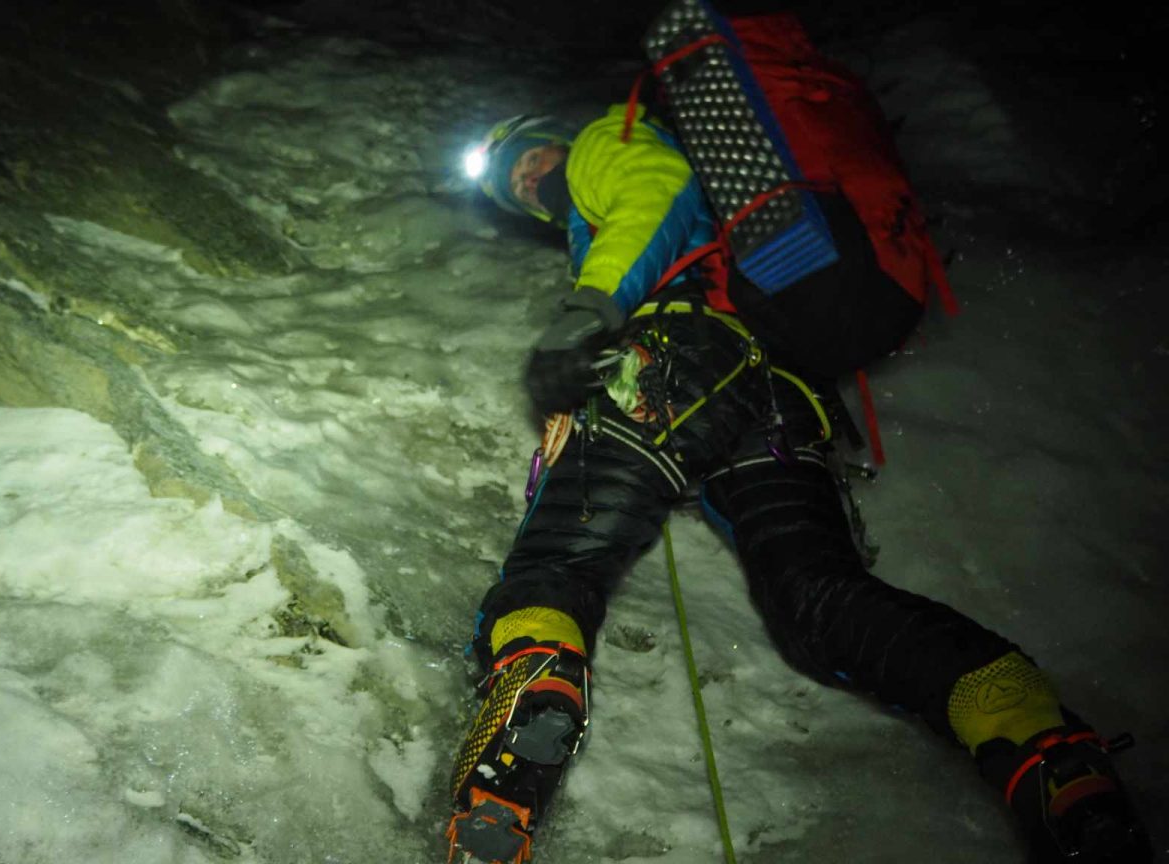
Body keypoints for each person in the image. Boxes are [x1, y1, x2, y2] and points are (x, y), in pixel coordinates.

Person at [444, 107, 1154, 864]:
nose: (525, 182)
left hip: (676, 362)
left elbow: (657, 185)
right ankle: (1040, 746)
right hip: (781, 400)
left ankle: (509, 768)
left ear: (551, 137)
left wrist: (586, 316)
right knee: (817, 600)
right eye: (514, 188)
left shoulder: (610, 139)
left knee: (561, 562)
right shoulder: (734, 236)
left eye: (524, 161)